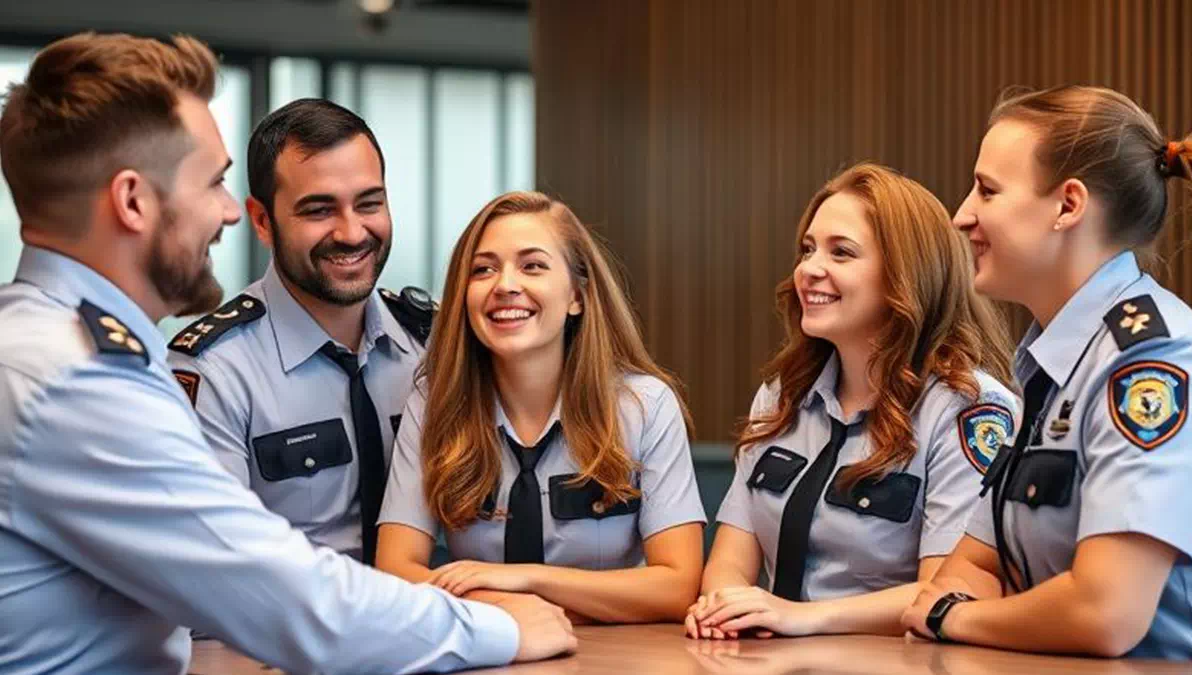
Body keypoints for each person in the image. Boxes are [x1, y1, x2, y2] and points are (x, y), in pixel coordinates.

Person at [0, 31, 574, 674]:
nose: (227, 213)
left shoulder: (50, 349)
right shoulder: (73, 380)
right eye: (212, 184)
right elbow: (278, 597)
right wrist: (498, 627)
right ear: (133, 201)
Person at [901, 85, 1192, 659]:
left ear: (1068, 206)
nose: (962, 215)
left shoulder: (1152, 360)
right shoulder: (1054, 360)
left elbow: (1105, 613)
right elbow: (972, 567)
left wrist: (951, 617)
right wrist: (969, 607)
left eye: (988, 190)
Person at [687, 163, 1017, 639]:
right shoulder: (783, 394)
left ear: (905, 275)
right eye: (808, 249)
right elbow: (730, 561)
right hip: (770, 656)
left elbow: (948, 590)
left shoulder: (967, 408)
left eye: (841, 252)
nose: (809, 269)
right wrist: (723, 608)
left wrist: (798, 618)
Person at [375, 191, 708, 623]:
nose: (505, 285)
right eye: (483, 269)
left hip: (614, 653)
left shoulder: (645, 406)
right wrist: (507, 608)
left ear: (577, 296)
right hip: (481, 648)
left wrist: (526, 580)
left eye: (532, 266)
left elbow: (677, 586)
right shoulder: (434, 405)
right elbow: (396, 572)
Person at [167, 98, 432, 564]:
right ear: (262, 221)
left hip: (436, 604)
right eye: (319, 210)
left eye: (369, 203)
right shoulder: (215, 371)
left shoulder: (434, 343)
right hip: (287, 612)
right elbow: (218, 566)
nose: (352, 233)